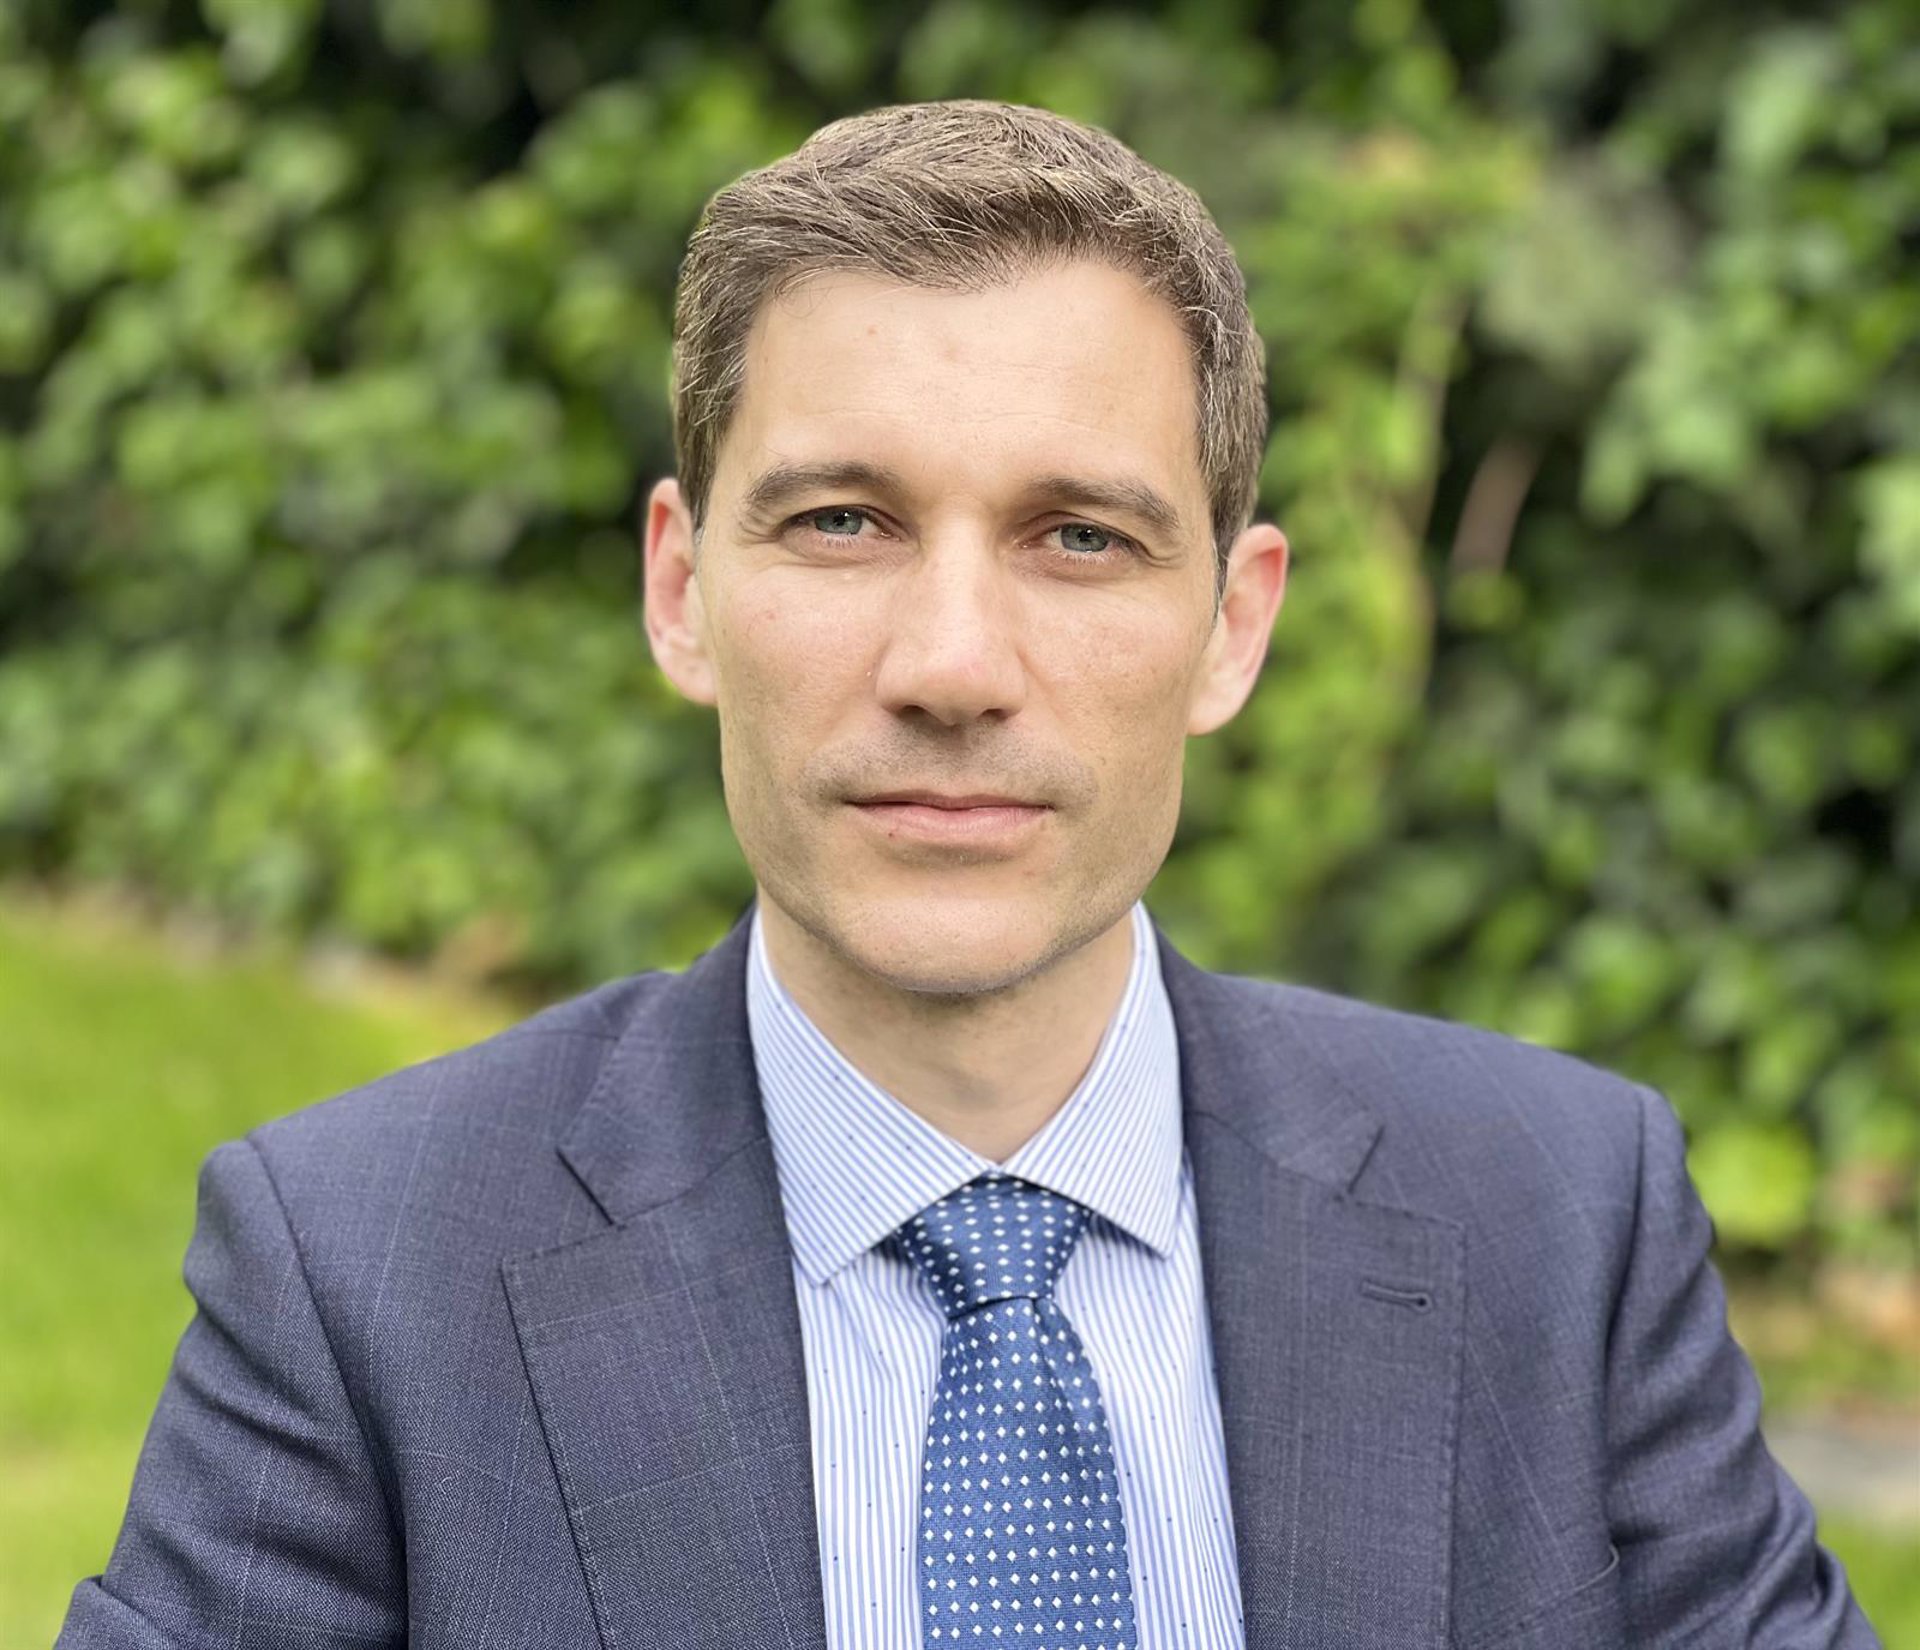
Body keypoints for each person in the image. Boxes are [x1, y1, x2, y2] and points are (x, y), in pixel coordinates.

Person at [59, 100, 1877, 1650]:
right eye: (842, 520)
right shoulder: (360, 1275)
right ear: (682, 590)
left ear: (1233, 626)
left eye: (1077, 537)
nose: (951, 664)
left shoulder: (1562, 1217)